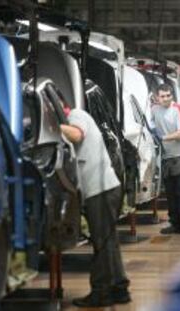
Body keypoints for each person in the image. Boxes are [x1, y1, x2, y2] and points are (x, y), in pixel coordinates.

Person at [60, 108, 130, 308]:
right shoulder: (74, 117)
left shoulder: (76, 115)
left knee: (102, 243)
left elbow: (76, 134)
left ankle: (101, 293)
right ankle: (119, 288)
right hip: (104, 189)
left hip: (101, 190)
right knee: (109, 242)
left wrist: (51, 126)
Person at [152, 83, 180, 235]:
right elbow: (150, 126)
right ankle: (174, 223)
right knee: (170, 193)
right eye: (162, 96)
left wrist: (163, 138)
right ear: (157, 97)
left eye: (168, 95)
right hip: (166, 158)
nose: (166, 99)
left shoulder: (178, 109)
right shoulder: (154, 110)